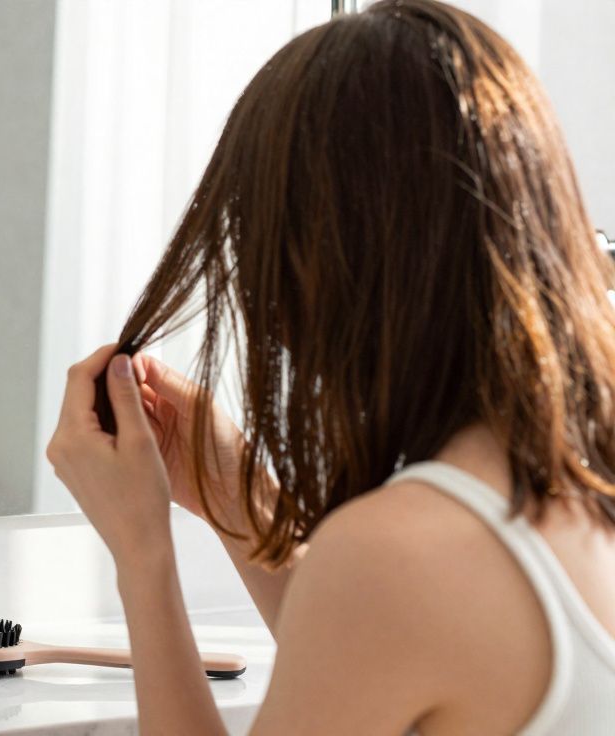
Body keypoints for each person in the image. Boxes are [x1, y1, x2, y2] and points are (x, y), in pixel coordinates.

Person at [47, 1, 615, 733]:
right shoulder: (567, 487)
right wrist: (238, 498)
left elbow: (380, 613)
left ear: (325, 260)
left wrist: (142, 555)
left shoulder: (397, 553)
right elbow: (380, 666)